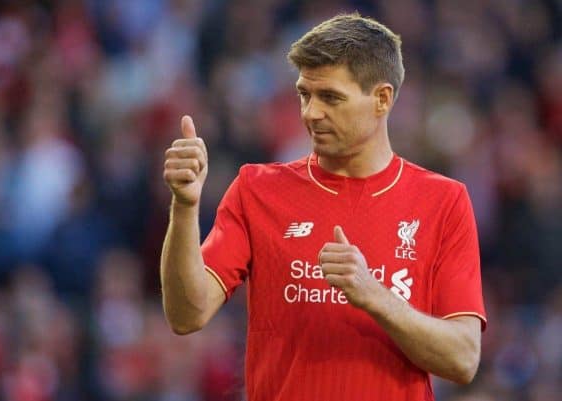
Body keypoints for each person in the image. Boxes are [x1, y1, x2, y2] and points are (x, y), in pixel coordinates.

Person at [161, 12, 486, 401]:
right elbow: (186, 314)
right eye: (305, 94)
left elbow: (463, 359)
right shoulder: (257, 189)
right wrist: (184, 207)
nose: (311, 113)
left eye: (330, 97)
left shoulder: (443, 201)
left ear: (382, 99)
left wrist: (376, 296)